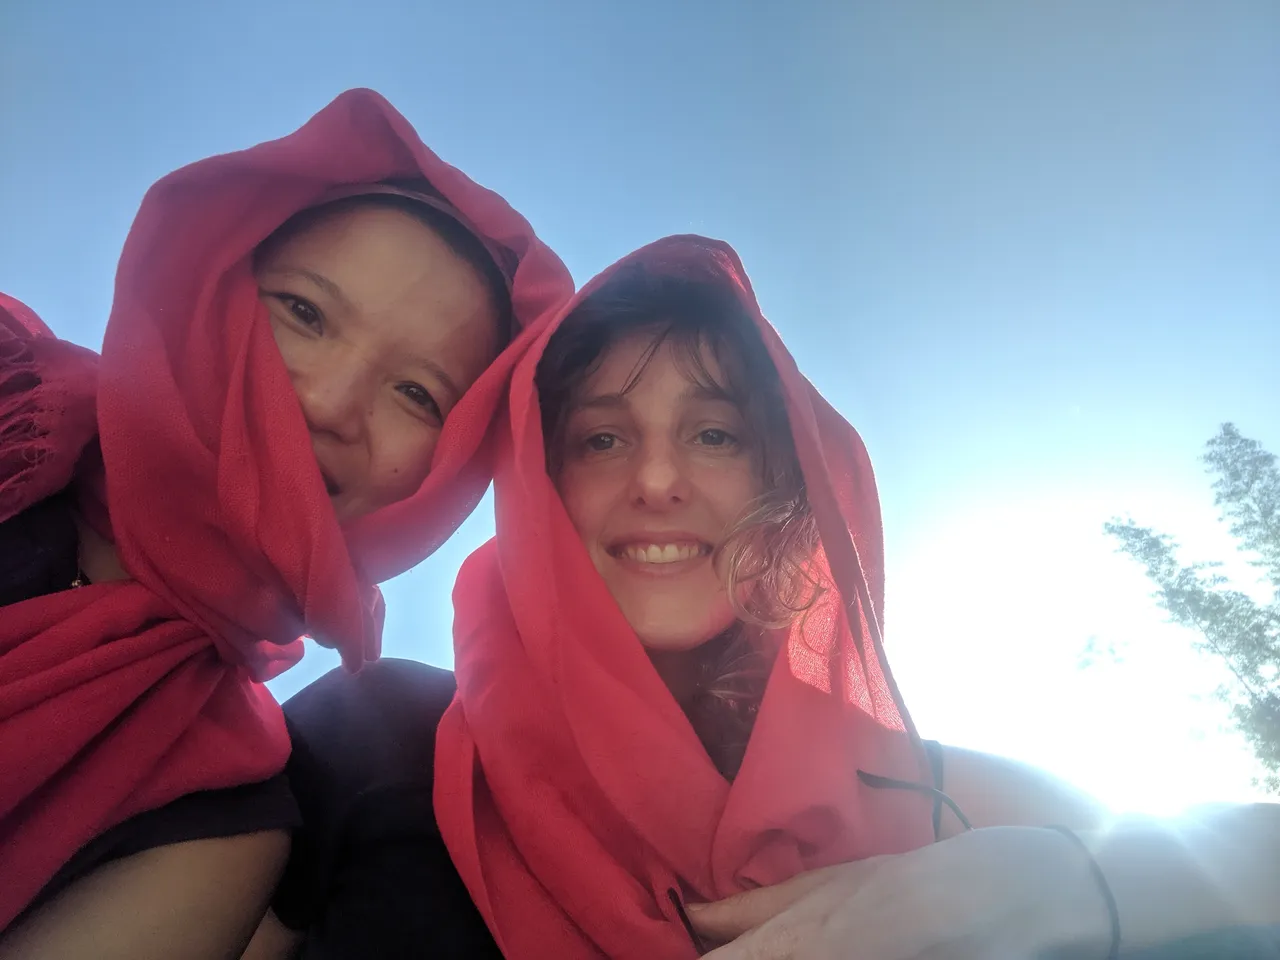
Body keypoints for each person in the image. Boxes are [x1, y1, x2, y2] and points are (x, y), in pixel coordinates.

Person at [430, 235, 1280, 959]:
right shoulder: (401, 762)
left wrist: (1052, 883)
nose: (656, 479)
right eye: (601, 439)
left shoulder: (916, 794)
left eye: (716, 434)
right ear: (538, 484)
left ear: (784, 490)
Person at [0, 88, 572, 960]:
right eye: (304, 312)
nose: (329, 402)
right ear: (209, 288)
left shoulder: (215, 820)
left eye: (417, 393)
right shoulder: (14, 400)